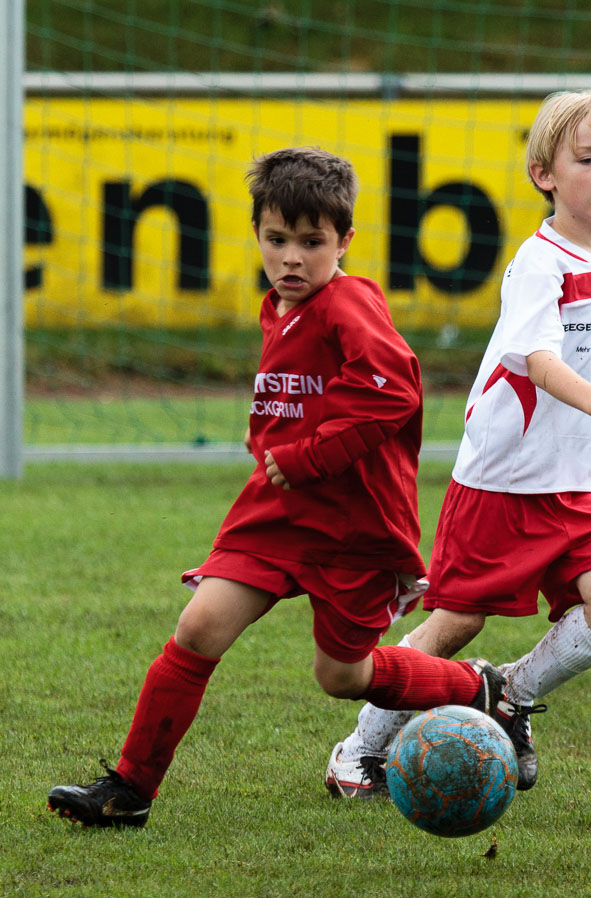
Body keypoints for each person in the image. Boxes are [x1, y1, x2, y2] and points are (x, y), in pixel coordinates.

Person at [46, 147, 508, 829]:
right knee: (199, 626)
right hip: (277, 515)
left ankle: (480, 687)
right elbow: (302, 395)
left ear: (345, 241)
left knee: (341, 677)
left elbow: (393, 393)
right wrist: (266, 442)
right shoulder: (280, 307)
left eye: (312, 243)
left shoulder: (349, 303)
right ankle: (130, 788)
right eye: (277, 239)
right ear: (257, 234)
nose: (292, 257)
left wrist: (307, 454)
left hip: (353, 527)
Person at [325, 90, 591, 798]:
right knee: (455, 622)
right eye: (589, 158)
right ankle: (357, 751)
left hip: (574, 482)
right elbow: (537, 360)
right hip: (503, 478)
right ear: (544, 174)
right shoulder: (537, 264)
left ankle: (509, 694)